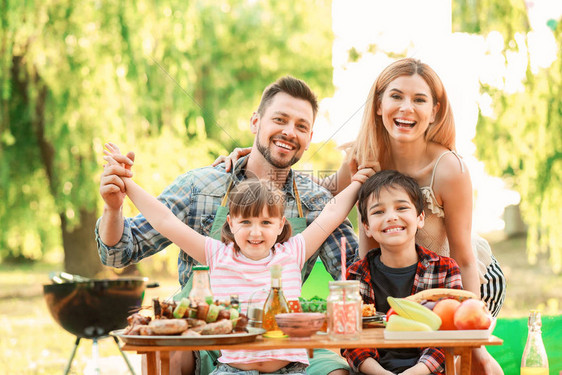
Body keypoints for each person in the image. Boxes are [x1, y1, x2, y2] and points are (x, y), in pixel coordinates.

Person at [214, 58, 505, 374]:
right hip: (400, 277)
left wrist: (474, 338)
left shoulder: (450, 169)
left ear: (434, 111)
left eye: (419, 100)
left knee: (462, 359)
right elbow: (321, 194)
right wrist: (252, 155)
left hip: (461, 274)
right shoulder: (364, 153)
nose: (406, 107)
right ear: (379, 104)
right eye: (396, 96)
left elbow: (464, 259)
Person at [96, 76, 359, 374]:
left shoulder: (314, 201)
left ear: (310, 137)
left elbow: (357, 270)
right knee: (169, 354)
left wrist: (364, 184)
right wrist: (115, 203)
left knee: (337, 371)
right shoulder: (201, 186)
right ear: (255, 122)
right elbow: (119, 253)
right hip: (209, 338)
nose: (289, 131)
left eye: (300, 126)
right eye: (280, 119)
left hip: (286, 342)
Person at [342, 170, 463, 375]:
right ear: (367, 227)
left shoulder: (445, 270)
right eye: (378, 212)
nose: (391, 217)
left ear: (420, 218)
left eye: (401, 207)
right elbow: (352, 341)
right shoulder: (356, 274)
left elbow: (448, 336)